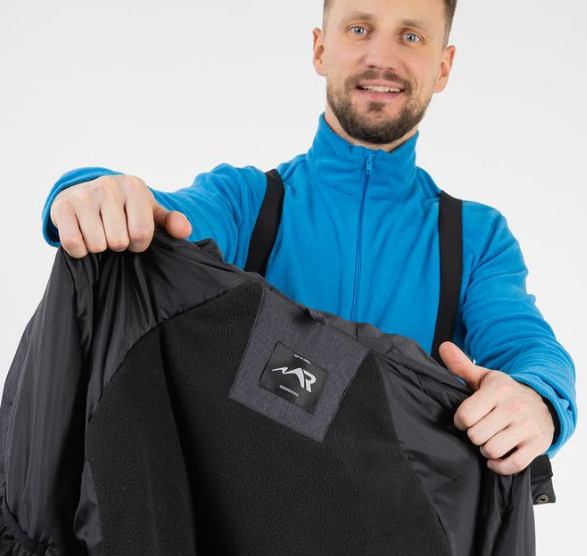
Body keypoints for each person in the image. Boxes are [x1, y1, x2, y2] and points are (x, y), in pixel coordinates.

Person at [41, 0, 577, 474]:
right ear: (321, 50)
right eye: (359, 29)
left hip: (402, 543)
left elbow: (529, 349)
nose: (381, 58)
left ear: (443, 66)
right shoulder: (246, 201)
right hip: (245, 537)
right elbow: (167, 214)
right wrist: (93, 190)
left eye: (411, 36)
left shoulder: (475, 237)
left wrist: (538, 400)